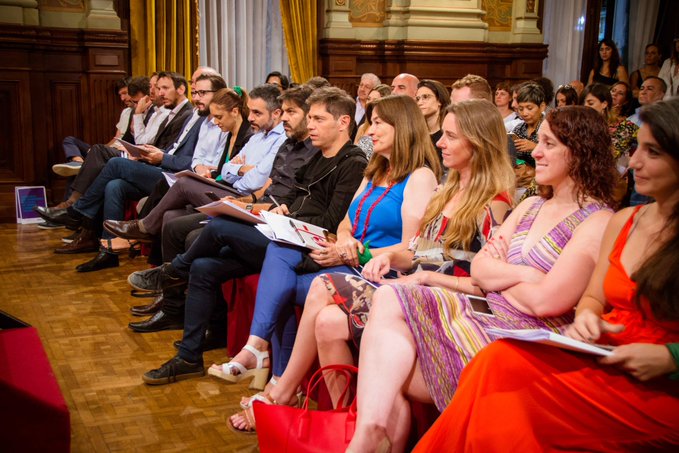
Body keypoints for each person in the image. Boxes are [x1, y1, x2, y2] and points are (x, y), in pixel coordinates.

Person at [229, 99, 515, 432]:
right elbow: (419, 250)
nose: (439, 142)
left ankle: (282, 390)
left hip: (443, 303)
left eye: (450, 136)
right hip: (411, 285)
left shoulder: (493, 203)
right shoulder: (445, 190)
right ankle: (343, 418)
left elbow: (483, 281)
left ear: (478, 142)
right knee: (326, 321)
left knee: (321, 286)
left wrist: (396, 266)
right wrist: (387, 256)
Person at [413, 98, 679, 452]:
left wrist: (670, 357)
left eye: (653, 152)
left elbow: (545, 298)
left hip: (658, 382)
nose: (633, 162)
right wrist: (586, 317)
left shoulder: (596, 217)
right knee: (495, 360)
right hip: (606, 352)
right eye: (636, 149)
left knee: (504, 394)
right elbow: (593, 298)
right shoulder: (624, 220)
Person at [347, 105, 616, 453]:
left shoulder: (596, 219)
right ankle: (369, 430)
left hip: (527, 337)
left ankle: (374, 435)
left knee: (387, 363)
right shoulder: (531, 204)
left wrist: (499, 277)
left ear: (579, 151)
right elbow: (481, 270)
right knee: (388, 299)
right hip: (483, 310)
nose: (535, 151)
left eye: (548, 144)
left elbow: (545, 301)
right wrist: (526, 274)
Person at [135, 87, 369, 385]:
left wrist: (288, 215)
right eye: (309, 118)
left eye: (318, 119)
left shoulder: (353, 163)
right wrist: (280, 209)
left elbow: (332, 222)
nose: (310, 125)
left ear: (343, 122)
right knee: (204, 267)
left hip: (305, 247)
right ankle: (188, 357)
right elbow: (296, 198)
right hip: (285, 235)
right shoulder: (319, 155)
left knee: (218, 228)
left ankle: (172, 271)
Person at [214, 94, 441, 400]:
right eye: (370, 122)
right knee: (280, 257)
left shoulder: (420, 176)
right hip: (347, 262)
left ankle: (274, 376)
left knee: (280, 286)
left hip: (379, 273)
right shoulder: (376, 170)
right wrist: (345, 239)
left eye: (377, 123)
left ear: (402, 127)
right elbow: (346, 221)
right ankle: (271, 370)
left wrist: (357, 251)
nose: (370, 131)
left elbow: (412, 250)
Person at [511, 82, 546, 167]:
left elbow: (559, 156)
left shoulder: (551, 129)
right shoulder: (518, 129)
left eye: (529, 108)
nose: (524, 113)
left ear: (542, 107)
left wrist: (535, 147)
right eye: (521, 109)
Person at [354, 84, 392, 158]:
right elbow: (354, 149)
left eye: (375, 100)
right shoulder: (362, 127)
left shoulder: (387, 128)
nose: (369, 103)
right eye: (368, 99)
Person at [416, 79, 450, 156]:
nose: (420, 103)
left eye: (425, 97)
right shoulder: (417, 134)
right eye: (418, 99)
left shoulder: (448, 133)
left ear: (439, 101)